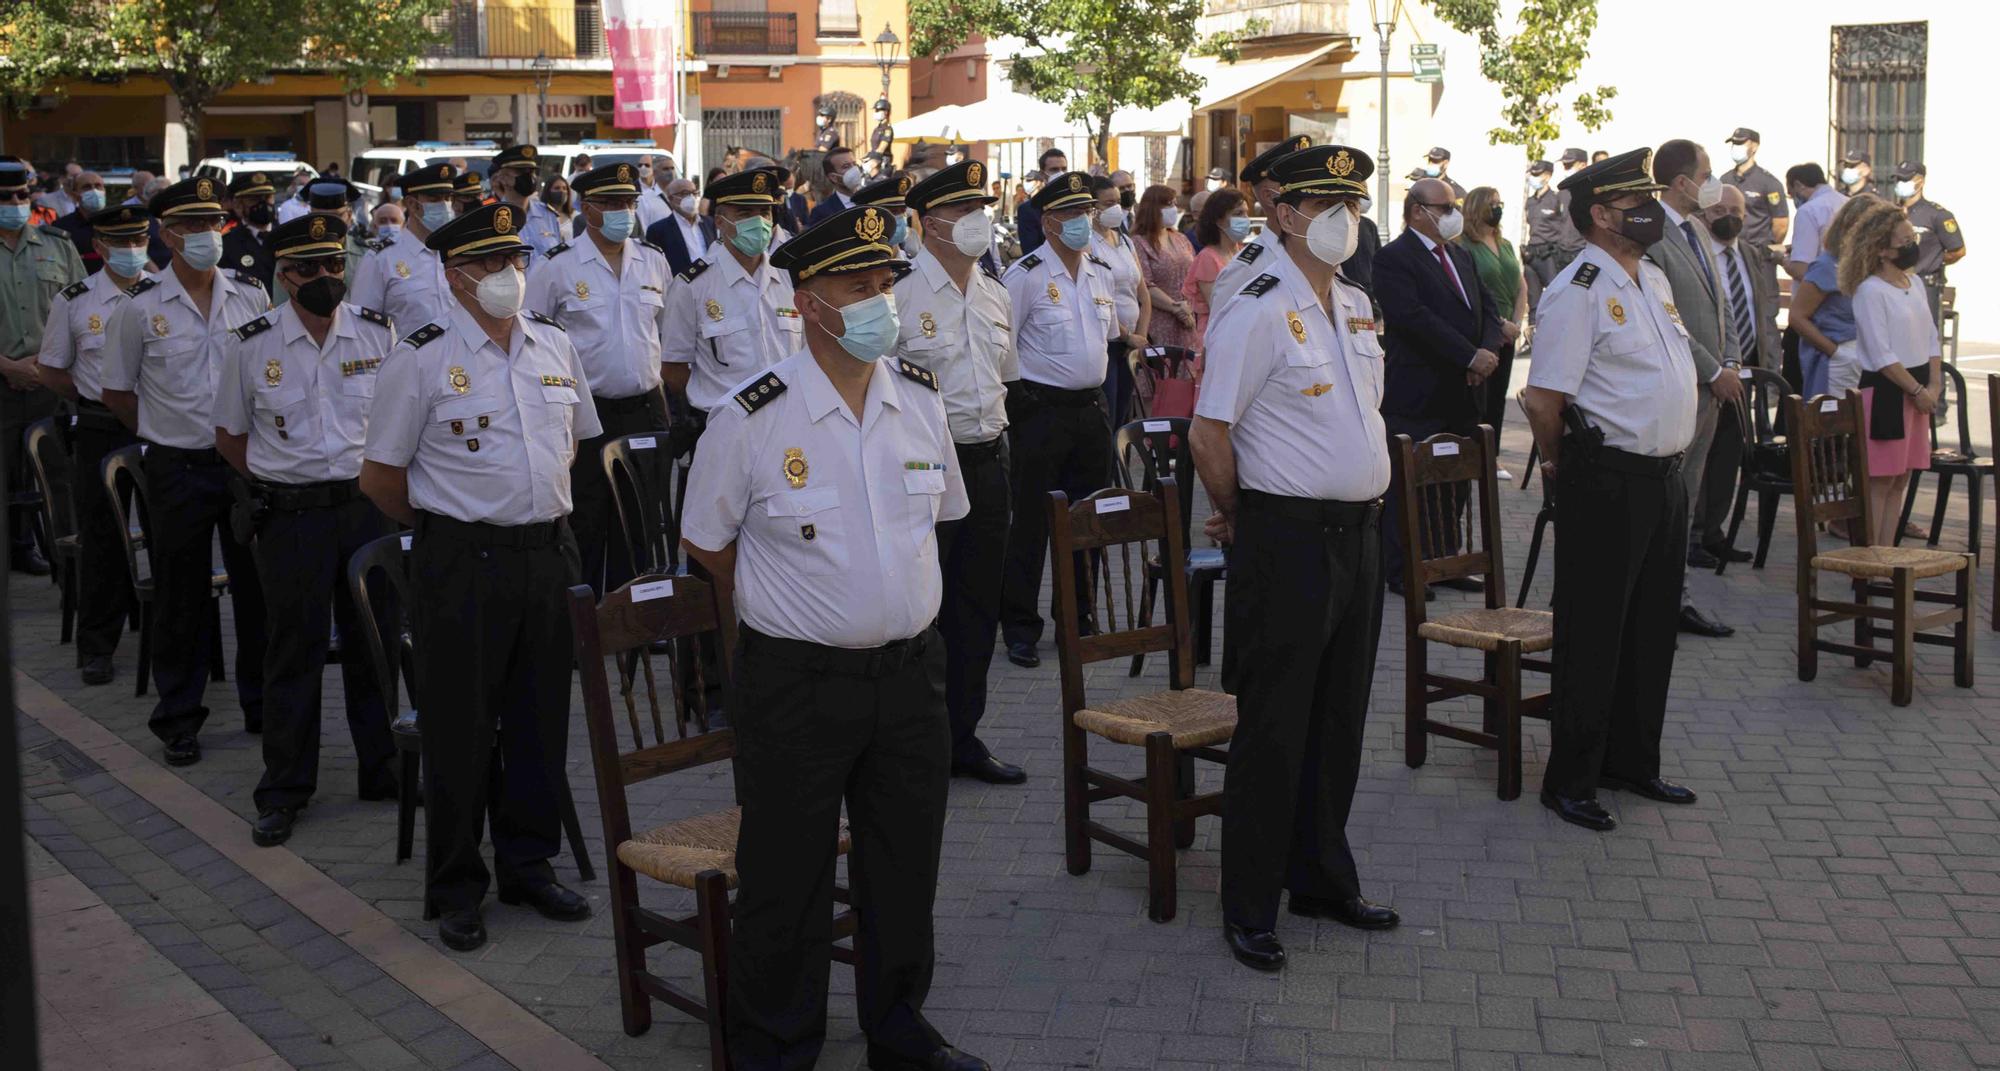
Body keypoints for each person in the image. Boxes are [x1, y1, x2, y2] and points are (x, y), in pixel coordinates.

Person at [681, 203, 986, 1071]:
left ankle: (898, 1025)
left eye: (885, 281)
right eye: (859, 286)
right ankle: (776, 1046)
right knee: (786, 879)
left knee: (904, 866)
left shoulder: (919, 400)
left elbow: (946, 517)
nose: (879, 299)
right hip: (797, 684)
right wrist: (796, 608)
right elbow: (707, 542)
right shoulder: (753, 415)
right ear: (807, 302)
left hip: (909, 677)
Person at [359, 201, 599, 953]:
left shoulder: (555, 346)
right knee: (460, 730)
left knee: (538, 721)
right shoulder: (421, 356)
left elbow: (577, 447)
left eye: (516, 261)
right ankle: (457, 884)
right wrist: (447, 527)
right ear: (454, 273)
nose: (509, 276)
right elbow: (380, 478)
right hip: (463, 562)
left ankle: (528, 863)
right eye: (491, 264)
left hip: (546, 555)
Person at [1188, 143, 1400, 973]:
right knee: (1274, 728)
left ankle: (1319, 876)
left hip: (1358, 536)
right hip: (1287, 537)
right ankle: (1249, 902)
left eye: (1352, 203)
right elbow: (1211, 431)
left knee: (1338, 720)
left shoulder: (1351, 303)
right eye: (1323, 204)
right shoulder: (1260, 304)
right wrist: (1242, 511)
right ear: (1283, 214)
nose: (1343, 219)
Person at [1521, 148, 1701, 835]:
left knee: (1651, 627)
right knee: (1593, 632)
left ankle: (1632, 759)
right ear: (1601, 214)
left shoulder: (1649, 278)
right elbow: (1544, 399)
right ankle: (1571, 778)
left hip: (1663, 477)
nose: (1648, 211)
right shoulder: (1579, 288)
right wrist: (1561, 466)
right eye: (1635, 202)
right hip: (1608, 478)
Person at [211, 213, 399, 846]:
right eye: (311, 268)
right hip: (290, 515)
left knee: (374, 645)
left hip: (363, 509)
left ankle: (383, 769)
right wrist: (281, 481)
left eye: (335, 265)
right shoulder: (250, 343)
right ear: (284, 276)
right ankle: (286, 788)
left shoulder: (378, 335)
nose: (326, 278)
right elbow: (231, 437)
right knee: (294, 650)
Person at [99, 175, 270, 766]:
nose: (205, 235)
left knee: (256, 589)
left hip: (243, 463)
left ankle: (261, 703)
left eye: (211, 223)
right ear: (166, 235)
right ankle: (179, 716)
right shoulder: (139, 307)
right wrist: (164, 433)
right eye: (191, 226)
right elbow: (118, 393)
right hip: (177, 466)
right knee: (181, 595)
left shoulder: (250, 295)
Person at [888, 160, 1022, 786]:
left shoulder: (995, 293)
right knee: (924, 612)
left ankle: (962, 737)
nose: (977, 222)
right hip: (923, 470)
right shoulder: (898, 294)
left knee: (977, 608)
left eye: (981, 211)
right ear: (928, 223)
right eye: (962, 212)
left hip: (988, 463)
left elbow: (1006, 384)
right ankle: (915, 740)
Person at [525, 163, 673, 594]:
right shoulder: (557, 267)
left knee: (642, 521)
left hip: (644, 408)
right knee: (585, 522)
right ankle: (585, 628)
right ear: (586, 208)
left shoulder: (653, 261)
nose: (622, 212)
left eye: (628, 202)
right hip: (584, 416)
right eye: (611, 203)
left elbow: (662, 333)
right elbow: (534, 339)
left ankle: (637, 623)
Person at [998, 172, 1116, 669]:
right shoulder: (1025, 275)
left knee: (1089, 523)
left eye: (1086, 213)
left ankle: (1078, 619)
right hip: (1040, 412)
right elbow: (1003, 344)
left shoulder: (1100, 271)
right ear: (1048, 223)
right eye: (1070, 215)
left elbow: (1107, 337)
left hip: (1091, 411)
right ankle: (1021, 628)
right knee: (1030, 526)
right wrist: (1021, 404)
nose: (1082, 223)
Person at [1374, 177, 1506, 597]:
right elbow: (1413, 318)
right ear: (1417, 211)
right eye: (1444, 207)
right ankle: (1403, 569)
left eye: (1455, 206)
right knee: (1410, 484)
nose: (1453, 214)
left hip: (1464, 391)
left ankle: (1446, 560)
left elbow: (1489, 309)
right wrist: (1467, 356)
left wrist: (1485, 353)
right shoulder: (1394, 258)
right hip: (1419, 391)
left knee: (1453, 478)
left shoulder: (1461, 255)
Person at [37, 203, 149, 684]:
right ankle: (98, 644)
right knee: (101, 537)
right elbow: (53, 368)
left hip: (161, 428)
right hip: (102, 428)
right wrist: (92, 397)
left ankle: (164, 633)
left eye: (138, 240)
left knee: (168, 537)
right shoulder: (76, 299)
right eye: (119, 242)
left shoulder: (165, 292)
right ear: (99, 247)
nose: (130, 250)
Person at [661, 165, 799, 459]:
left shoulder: (788, 277)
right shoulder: (692, 285)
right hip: (723, 431)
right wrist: (715, 400)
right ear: (720, 221)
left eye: (765, 212)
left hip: (787, 426)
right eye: (744, 213)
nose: (758, 222)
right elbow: (674, 369)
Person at [0, 155, 84, 577]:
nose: (15, 202)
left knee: (58, 476)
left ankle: (66, 559)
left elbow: (84, 315)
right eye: (5, 196)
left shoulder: (57, 244)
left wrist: (45, 364)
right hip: (3, 382)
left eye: (21, 194)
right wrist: (7, 366)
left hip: (48, 381)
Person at [1689, 183, 1778, 565]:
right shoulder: (1696, 254)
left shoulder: (1752, 255)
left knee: (1728, 454)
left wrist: (1766, 361)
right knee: (1699, 456)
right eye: (1720, 210)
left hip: (1746, 372)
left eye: (1737, 210)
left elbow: (1763, 311)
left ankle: (1713, 532)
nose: (1730, 217)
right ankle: (1690, 536)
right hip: (1708, 372)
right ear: (1704, 213)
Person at [1847, 205, 1941, 548]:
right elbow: (1882, 353)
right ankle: (1871, 559)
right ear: (1882, 250)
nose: (1912, 244)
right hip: (1888, 392)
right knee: (1880, 482)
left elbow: (1931, 336)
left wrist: (1933, 384)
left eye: (1912, 238)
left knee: (1901, 479)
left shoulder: (1913, 282)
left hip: (1916, 393)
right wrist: (1917, 389)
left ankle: (1888, 556)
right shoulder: (1870, 291)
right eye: (1905, 240)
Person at [1458, 185, 1530, 452]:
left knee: (1498, 397)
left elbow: (1521, 287)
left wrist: (1516, 323)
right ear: (1477, 208)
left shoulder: (1506, 244)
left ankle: (1493, 454)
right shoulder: (1464, 245)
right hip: (1483, 331)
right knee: (1480, 398)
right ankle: (1474, 453)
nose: (1498, 209)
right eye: (1492, 203)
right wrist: (1500, 323)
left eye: (1500, 203)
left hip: (1509, 332)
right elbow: (1472, 291)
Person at [349, 163, 459, 336]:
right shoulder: (381, 258)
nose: (445, 206)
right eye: (435, 200)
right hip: (406, 360)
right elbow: (363, 326)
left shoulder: (457, 252)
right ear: (412, 204)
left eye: (448, 198)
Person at [1793, 194, 1882, 400]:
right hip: (1840, 356)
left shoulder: (1872, 266)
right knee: (1835, 424)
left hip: (1870, 355)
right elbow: (1797, 317)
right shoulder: (1826, 266)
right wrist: (1836, 352)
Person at [1213, 136, 1312, 300]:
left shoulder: (1320, 256)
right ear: (1269, 197)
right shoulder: (1244, 271)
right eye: (1298, 188)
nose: (1311, 194)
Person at [1089, 174, 1149, 428]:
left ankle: (1119, 465)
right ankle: (1109, 468)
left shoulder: (1124, 240)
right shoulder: (1089, 244)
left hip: (1132, 343)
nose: (1115, 207)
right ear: (1093, 208)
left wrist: (1140, 336)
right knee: (1109, 414)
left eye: (1117, 201)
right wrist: (1126, 336)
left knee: (1124, 414)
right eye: (1108, 203)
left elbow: (1142, 292)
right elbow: (1098, 297)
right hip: (1110, 341)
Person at [1894, 161, 1965, 326]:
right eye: (1899, 179)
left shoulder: (1937, 215)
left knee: (1924, 340)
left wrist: (1935, 258)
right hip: (1895, 282)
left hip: (1924, 285)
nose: (1901, 183)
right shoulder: (1891, 211)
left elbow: (1958, 250)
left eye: (1906, 179)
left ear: (1921, 181)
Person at [1718, 127, 1789, 287]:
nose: (1736, 147)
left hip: (1759, 255)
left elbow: (1781, 224)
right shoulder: (1725, 179)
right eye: (1734, 143)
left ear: (1755, 146)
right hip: (1728, 252)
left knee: (1764, 303)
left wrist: (1764, 248)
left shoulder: (1768, 183)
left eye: (1741, 143)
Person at [1132, 184, 1197, 352]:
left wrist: (1187, 308)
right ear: (1153, 208)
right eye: (1168, 204)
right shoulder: (1139, 242)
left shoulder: (1180, 238)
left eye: (1175, 204)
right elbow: (1144, 284)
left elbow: (1195, 275)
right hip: (1159, 321)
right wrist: (1177, 308)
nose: (1173, 209)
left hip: (1188, 318)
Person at [1185, 187, 1249, 349]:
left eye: (1246, 213)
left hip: (1243, 335)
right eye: (1238, 214)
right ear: (1219, 220)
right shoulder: (1208, 258)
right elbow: (1219, 307)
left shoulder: (1242, 252)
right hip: (1219, 339)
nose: (1245, 219)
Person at [1785, 163, 1847, 280]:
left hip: (1819, 291)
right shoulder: (1848, 203)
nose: (1793, 200)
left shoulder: (1808, 211)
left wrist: (1782, 260)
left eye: (1791, 194)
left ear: (1798, 185)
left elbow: (1801, 269)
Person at [643, 175, 714, 277]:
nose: (691, 198)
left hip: (709, 285)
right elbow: (654, 267)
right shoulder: (657, 230)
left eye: (694, 193)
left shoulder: (709, 223)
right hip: (678, 287)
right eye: (685, 194)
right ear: (671, 199)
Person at [222, 170, 279, 292]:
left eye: (267, 197)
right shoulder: (227, 245)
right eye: (254, 199)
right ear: (238, 205)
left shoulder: (288, 237)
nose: (263, 204)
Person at [51, 170, 109, 274]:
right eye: (87, 187)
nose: (94, 191)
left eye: (98, 186)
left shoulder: (117, 223)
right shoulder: (61, 227)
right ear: (74, 194)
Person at [1015, 148, 1068, 256]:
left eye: (1064, 169)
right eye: (1054, 170)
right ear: (1042, 174)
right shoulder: (1029, 210)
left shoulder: (1078, 205)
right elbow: (1031, 251)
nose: (1060, 173)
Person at [807, 145, 863, 227]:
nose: (854, 169)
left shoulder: (872, 200)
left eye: (854, 164)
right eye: (846, 166)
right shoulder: (822, 213)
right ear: (834, 177)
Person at [1553, 147, 1590, 269]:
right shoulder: (1563, 192)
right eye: (1564, 166)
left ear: (1583, 165)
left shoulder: (1592, 193)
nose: (1565, 169)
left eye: (1569, 166)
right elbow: (1558, 220)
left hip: (1583, 252)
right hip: (1562, 252)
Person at [541, 174, 577, 244]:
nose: (561, 191)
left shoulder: (574, 216)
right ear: (548, 191)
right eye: (557, 188)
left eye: (564, 188)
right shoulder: (539, 215)